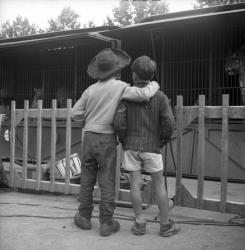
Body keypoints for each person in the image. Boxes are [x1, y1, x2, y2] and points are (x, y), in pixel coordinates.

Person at [71, 48, 160, 237]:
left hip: (88, 138)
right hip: (107, 139)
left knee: (87, 179)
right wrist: (155, 85)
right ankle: (106, 223)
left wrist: (87, 119)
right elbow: (143, 94)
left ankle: (84, 217)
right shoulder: (120, 87)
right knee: (107, 181)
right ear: (115, 70)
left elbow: (74, 114)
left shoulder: (90, 90)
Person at [114, 55, 180, 237]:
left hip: (131, 147)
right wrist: (162, 141)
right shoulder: (160, 97)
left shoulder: (126, 97)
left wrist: (124, 140)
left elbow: (119, 123)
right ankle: (165, 225)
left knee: (135, 185)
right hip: (153, 147)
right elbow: (169, 123)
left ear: (134, 75)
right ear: (152, 75)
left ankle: (139, 224)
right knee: (159, 185)